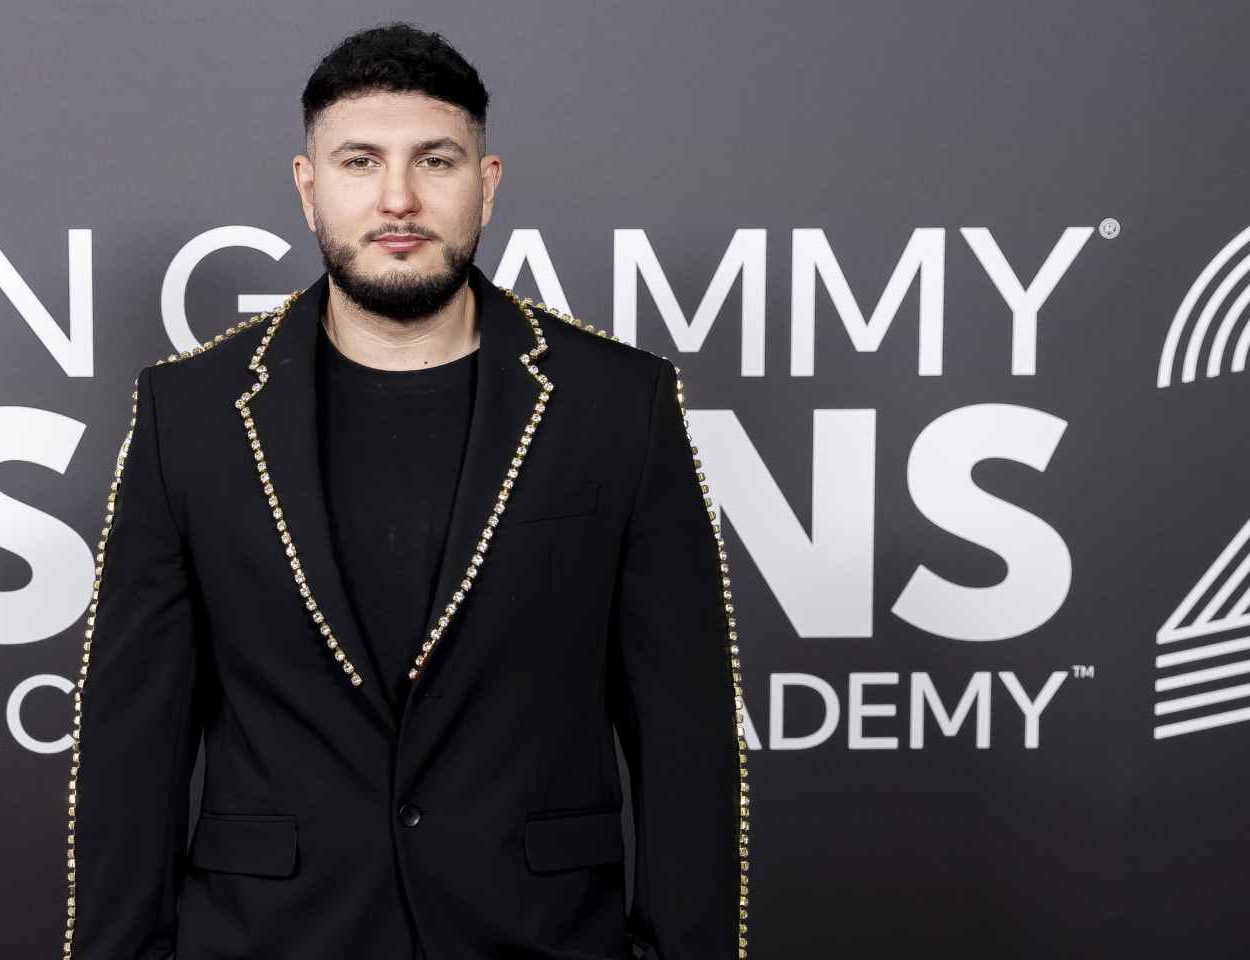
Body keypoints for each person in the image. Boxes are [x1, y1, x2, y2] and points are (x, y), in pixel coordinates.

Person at [63, 21, 749, 960]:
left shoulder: (618, 404)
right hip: (270, 940)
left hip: (541, 937)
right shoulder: (192, 412)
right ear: (308, 189)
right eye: (358, 161)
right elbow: (129, 753)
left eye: (435, 159)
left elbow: (688, 745)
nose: (398, 198)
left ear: (487, 182)